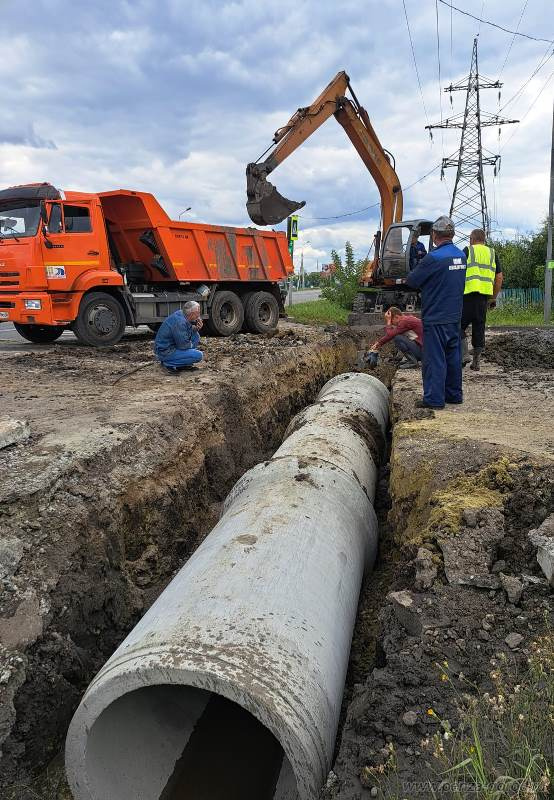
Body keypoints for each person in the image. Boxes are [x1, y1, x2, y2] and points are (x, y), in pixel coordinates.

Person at [405, 216, 467, 409]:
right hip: (454, 316)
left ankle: (433, 399)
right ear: (453, 234)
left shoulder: (433, 258)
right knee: (453, 357)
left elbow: (412, 281)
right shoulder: (461, 256)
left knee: (434, 359)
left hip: (435, 317)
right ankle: (454, 395)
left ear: (434, 235)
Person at [461, 229, 503, 371]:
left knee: (458, 326)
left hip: (466, 296)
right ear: (484, 239)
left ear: (472, 239)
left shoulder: (467, 251)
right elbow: (499, 277)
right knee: (479, 327)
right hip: (483, 298)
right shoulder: (492, 253)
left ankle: (464, 355)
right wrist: (493, 298)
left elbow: (457, 271)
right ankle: (476, 361)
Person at [154, 301, 204, 373]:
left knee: (196, 336)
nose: (199, 316)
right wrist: (191, 347)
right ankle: (167, 363)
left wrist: (196, 329)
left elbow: (187, 331)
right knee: (198, 355)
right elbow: (183, 345)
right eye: (198, 313)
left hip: (171, 346)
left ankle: (182, 361)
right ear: (192, 314)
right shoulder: (180, 322)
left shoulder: (182, 314)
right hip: (165, 352)